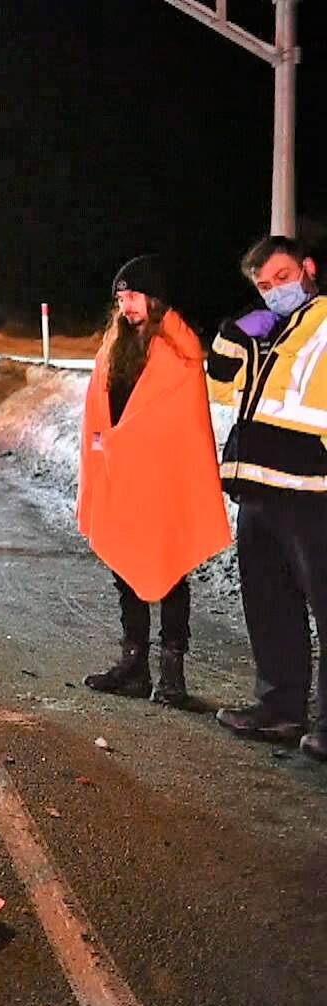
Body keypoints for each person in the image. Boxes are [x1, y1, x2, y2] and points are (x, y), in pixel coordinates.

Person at [76, 256, 231, 708]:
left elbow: (175, 423)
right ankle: (134, 666)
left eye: (134, 297)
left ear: (156, 299)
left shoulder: (179, 352)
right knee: (125, 568)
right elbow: (100, 407)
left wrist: (124, 441)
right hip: (121, 475)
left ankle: (171, 674)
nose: (126, 306)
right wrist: (106, 445)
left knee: (170, 570)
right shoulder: (115, 346)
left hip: (163, 479)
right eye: (121, 298)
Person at [207, 236, 327, 761]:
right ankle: (280, 708)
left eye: (282, 277)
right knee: (270, 605)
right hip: (259, 487)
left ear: (307, 268)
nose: (275, 290)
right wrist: (234, 333)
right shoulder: (275, 330)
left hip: (311, 490)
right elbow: (219, 387)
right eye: (264, 286)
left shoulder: (322, 322)